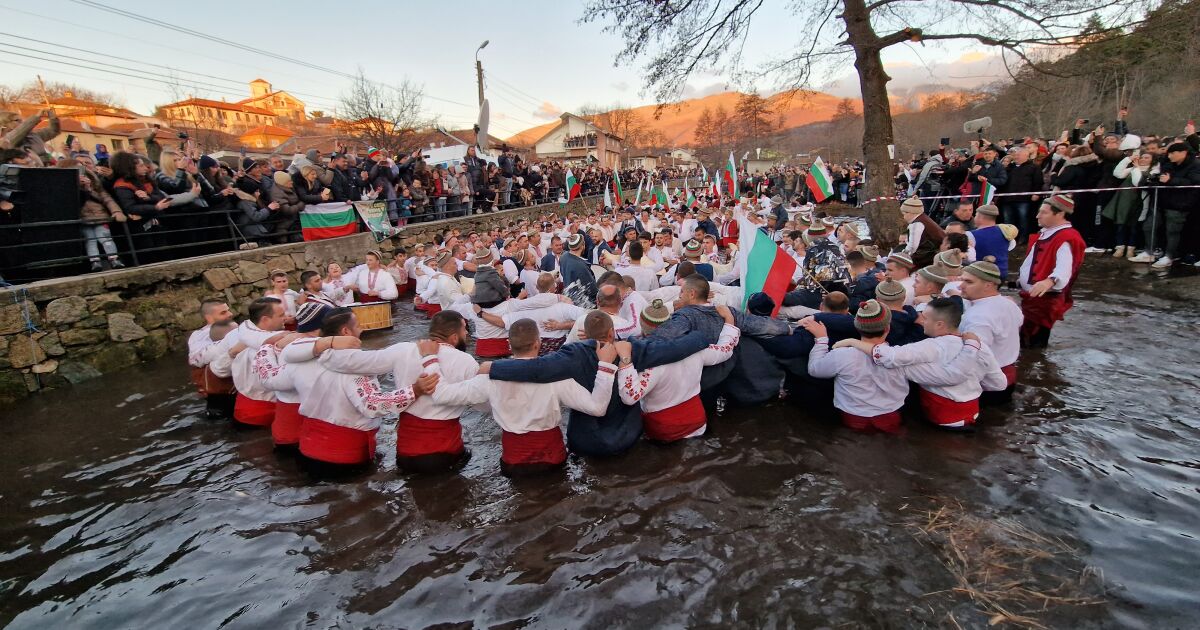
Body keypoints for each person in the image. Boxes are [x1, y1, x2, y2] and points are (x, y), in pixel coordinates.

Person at [423, 319, 618, 476]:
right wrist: (606, 367)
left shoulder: (489, 379)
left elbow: (441, 394)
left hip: (513, 460)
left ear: (509, 344)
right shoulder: (557, 378)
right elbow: (597, 407)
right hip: (552, 456)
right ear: (537, 343)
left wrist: (430, 359)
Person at [294, 308, 437, 469]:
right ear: (346, 331)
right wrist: (414, 390)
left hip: (306, 446)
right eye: (358, 326)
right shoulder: (354, 369)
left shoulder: (305, 360)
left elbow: (275, 382)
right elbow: (372, 405)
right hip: (342, 454)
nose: (362, 330)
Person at [845, 297, 1007, 430]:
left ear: (939, 324)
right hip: (973, 414)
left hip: (940, 418)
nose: (921, 320)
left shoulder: (932, 346)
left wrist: (853, 342)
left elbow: (888, 357)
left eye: (925, 317)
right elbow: (999, 383)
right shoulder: (980, 345)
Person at [615, 301, 739, 442]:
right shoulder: (695, 349)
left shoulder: (650, 365)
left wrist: (625, 360)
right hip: (697, 420)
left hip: (663, 429)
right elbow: (726, 350)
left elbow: (630, 396)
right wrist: (729, 320)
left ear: (643, 330)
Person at [799, 301, 912, 433]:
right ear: (888, 328)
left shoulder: (841, 355)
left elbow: (815, 370)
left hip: (855, 418)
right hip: (892, 416)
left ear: (857, 327)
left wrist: (822, 339)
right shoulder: (901, 355)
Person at [252, 303, 332, 449]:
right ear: (319, 328)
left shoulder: (283, 344)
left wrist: (268, 346)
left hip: (286, 425)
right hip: (299, 428)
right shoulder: (313, 350)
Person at [1018, 194, 1086, 348]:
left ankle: (1035, 368)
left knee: (1032, 344)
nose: (1037, 216)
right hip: (1034, 297)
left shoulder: (1066, 237)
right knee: (1026, 340)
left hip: (1044, 300)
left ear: (1060, 214)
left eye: (1043, 212)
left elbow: (1065, 268)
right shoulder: (1049, 232)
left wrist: (1050, 281)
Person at [209, 297, 289, 427]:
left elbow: (218, 370)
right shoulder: (280, 343)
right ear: (265, 319)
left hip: (243, 409)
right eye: (281, 315)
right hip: (269, 410)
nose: (286, 317)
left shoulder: (236, 334)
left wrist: (232, 353)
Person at [959, 261, 1023, 400]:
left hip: (989, 383)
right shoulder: (1009, 304)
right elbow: (1019, 323)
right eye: (962, 280)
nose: (961, 286)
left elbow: (976, 356)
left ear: (988, 285)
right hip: (1009, 377)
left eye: (969, 282)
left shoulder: (979, 317)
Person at [1149, 142, 1200, 268]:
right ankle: (1160, 252)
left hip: (1183, 203)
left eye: (1173, 153)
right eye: (1169, 153)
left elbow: (1194, 182)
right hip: (1166, 200)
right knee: (1158, 227)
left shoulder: (1195, 165)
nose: (1170, 155)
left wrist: (1171, 180)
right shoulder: (1168, 163)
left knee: (1173, 230)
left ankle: (1170, 255)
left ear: (1183, 153)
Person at [187, 299, 236, 419]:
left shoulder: (231, 327)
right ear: (209, 318)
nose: (230, 314)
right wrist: (227, 345)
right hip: (220, 390)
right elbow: (195, 359)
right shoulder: (200, 335)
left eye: (228, 310)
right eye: (223, 312)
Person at [968, 205, 1017, 279]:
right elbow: (1010, 247)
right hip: (1002, 273)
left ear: (980, 217)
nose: (974, 217)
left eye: (975, 215)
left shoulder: (970, 235)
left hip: (981, 275)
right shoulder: (1006, 233)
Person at [900, 196, 945, 268]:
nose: (903, 217)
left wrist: (902, 256)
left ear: (910, 212)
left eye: (904, 214)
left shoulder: (916, 224)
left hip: (929, 257)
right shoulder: (924, 219)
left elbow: (912, 247)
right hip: (935, 254)